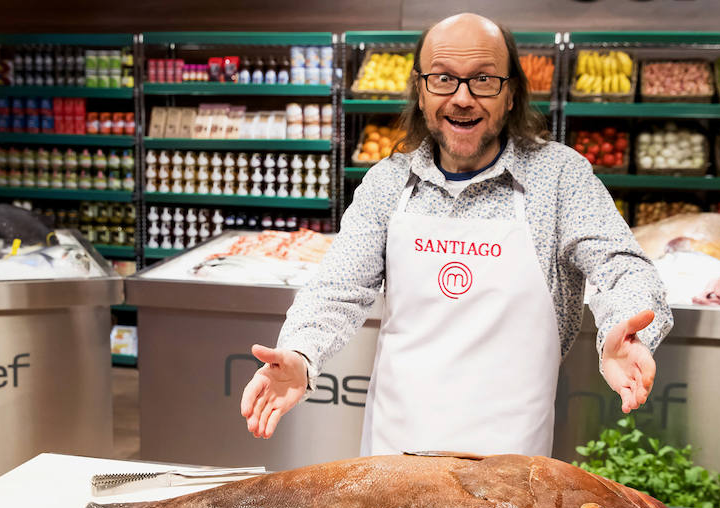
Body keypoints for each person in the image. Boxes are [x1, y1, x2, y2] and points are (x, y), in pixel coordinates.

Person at [240, 13, 673, 457]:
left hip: (509, 461)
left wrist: (628, 328)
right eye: (443, 79)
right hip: (396, 452)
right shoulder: (388, 183)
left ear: (510, 94)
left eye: (483, 79)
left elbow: (621, 266)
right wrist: (300, 352)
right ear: (421, 91)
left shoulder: (558, 177)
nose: (462, 98)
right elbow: (337, 286)